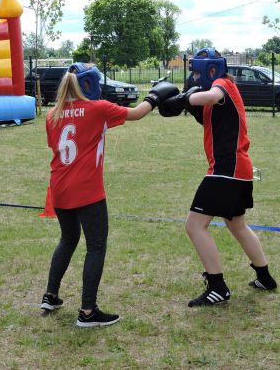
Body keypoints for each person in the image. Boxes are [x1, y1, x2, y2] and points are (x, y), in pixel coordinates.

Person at [40, 63, 178, 327]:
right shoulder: (97, 108)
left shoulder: (52, 114)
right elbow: (137, 113)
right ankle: (88, 312)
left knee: (67, 239)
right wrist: (154, 95)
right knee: (96, 246)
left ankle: (50, 295)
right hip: (87, 189)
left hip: (59, 187)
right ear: (89, 84)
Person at [159, 49, 277, 307]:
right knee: (237, 226)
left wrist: (184, 98)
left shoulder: (223, 84)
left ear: (211, 70)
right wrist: (185, 104)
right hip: (237, 171)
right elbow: (209, 115)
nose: (194, 77)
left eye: (196, 73)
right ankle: (265, 277)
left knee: (194, 226)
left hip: (227, 170)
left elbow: (211, 96)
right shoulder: (215, 100)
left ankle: (217, 287)